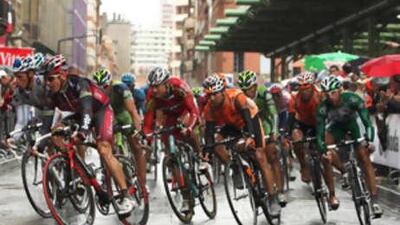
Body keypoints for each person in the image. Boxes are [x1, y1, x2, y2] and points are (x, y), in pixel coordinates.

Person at [43, 55, 135, 215]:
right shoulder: (54, 93)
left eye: (50, 79)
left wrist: (83, 132)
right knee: (56, 134)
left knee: (104, 150)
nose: (47, 83)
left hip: (100, 111)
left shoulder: (80, 84)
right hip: (79, 114)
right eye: (45, 79)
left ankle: (126, 196)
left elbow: (87, 109)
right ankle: (79, 172)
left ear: (63, 74)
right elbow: (51, 116)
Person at [202, 74, 281, 216]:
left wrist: (250, 137)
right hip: (232, 125)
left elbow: (248, 118)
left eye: (214, 94)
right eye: (208, 95)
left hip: (250, 121)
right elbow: (208, 134)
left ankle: (272, 197)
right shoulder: (209, 107)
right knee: (216, 143)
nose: (211, 98)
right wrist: (207, 151)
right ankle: (234, 167)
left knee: (259, 156)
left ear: (222, 91)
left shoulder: (236, 97)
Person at [316, 75, 383, 217]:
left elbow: (367, 122)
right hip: (335, 127)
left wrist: (369, 140)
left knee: (364, 158)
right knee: (326, 154)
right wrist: (323, 150)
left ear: (340, 90)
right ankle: (341, 179)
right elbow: (320, 133)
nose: (330, 97)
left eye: (333, 92)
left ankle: (375, 201)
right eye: (327, 94)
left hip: (354, 125)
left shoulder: (352, 99)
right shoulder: (323, 107)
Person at [143, 66, 202, 213]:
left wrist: (189, 128)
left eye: (157, 86)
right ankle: (186, 197)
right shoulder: (151, 95)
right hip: (169, 115)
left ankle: (201, 158)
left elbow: (194, 112)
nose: (154, 90)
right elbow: (149, 119)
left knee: (189, 131)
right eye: (152, 87)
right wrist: (148, 135)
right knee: (171, 155)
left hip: (185, 111)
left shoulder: (179, 86)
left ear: (166, 83)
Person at [236, 70, 287, 206]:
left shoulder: (264, 92)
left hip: (266, 122)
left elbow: (273, 113)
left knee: (272, 154)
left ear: (255, 86)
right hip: (252, 124)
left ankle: (280, 191)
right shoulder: (241, 98)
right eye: (245, 90)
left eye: (251, 89)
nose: (248, 93)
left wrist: (274, 131)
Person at [92, 68, 146, 185]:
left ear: (110, 83)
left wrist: (139, 130)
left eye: (105, 87)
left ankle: (142, 183)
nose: (103, 91)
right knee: (103, 145)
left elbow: (133, 112)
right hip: (108, 114)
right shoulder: (93, 93)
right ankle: (105, 173)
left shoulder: (121, 88)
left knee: (136, 147)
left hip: (123, 112)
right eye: (99, 88)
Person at [288, 71, 322, 183]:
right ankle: (303, 166)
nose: (304, 92)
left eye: (307, 89)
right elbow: (291, 117)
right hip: (302, 122)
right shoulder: (294, 96)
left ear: (312, 86)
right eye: (301, 89)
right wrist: (288, 134)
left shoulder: (320, 95)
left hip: (318, 123)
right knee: (296, 138)